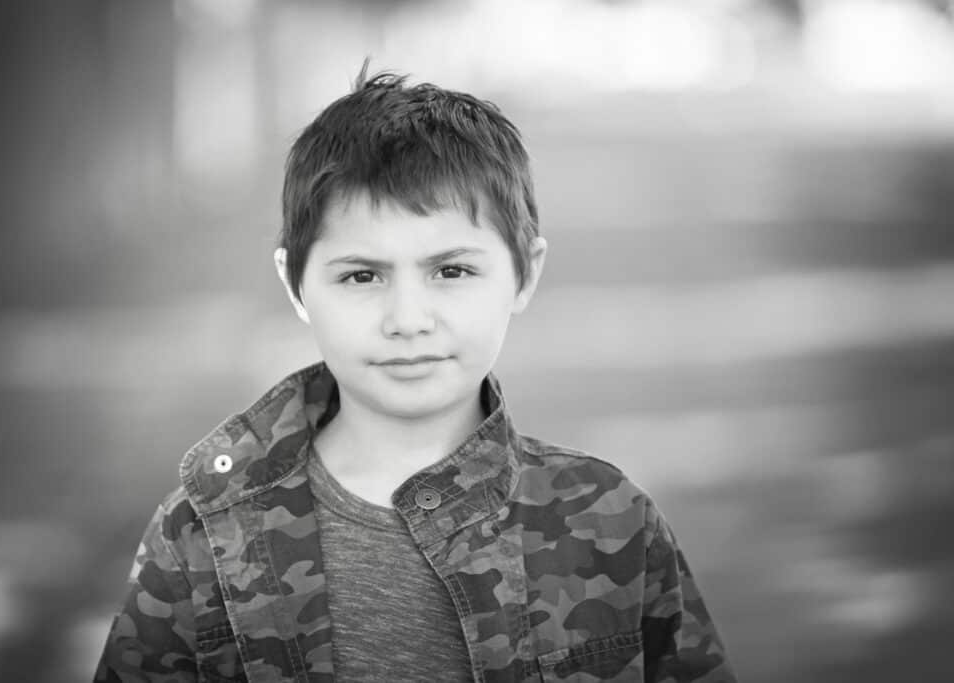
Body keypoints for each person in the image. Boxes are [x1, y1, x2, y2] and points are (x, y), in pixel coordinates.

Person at [95, 66, 736, 682]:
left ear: (525, 273)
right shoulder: (204, 533)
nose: (407, 319)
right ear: (295, 285)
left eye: (451, 271)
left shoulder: (610, 520)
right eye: (361, 276)